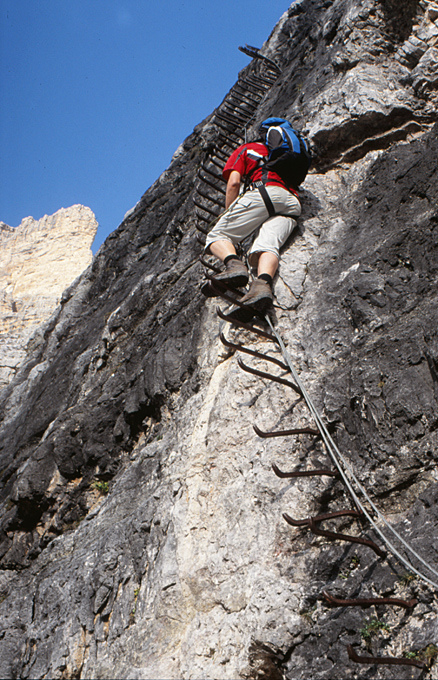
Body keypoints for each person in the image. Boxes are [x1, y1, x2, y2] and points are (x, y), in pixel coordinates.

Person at [202, 121, 304, 321]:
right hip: (292, 203)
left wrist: (230, 214)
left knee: (218, 235)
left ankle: (234, 266)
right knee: (267, 244)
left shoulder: (247, 149)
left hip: (264, 193)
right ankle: (262, 285)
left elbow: (234, 182)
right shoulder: (285, 154)